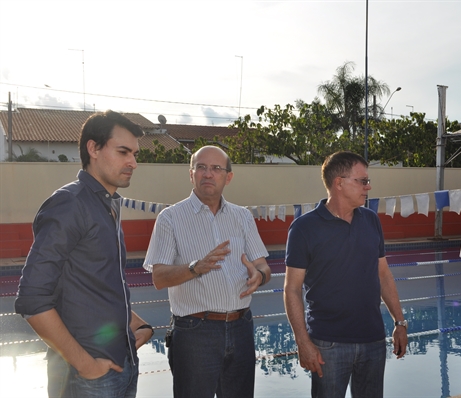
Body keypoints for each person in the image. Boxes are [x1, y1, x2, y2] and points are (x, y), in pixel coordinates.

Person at [14, 110, 153, 398]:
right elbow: (32, 299)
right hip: (88, 377)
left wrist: (135, 323)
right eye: (123, 152)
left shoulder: (107, 204)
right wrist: (86, 365)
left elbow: (99, 284)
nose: (133, 163)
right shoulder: (70, 204)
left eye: (135, 154)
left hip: (121, 364)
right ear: (93, 148)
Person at [143, 145, 271, 398]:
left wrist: (260, 276)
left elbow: (263, 266)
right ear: (191, 174)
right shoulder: (170, 218)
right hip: (194, 333)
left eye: (216, 168)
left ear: (228, 177)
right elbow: (158, 278)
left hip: (241, 327)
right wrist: (195, 268)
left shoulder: (242, 217)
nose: (208, 174)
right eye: (201, 167)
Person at [284, 151, 408, 398]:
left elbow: (383, 274)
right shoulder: (304, 228)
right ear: (338, 183)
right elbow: (292, 289)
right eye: (362, 181)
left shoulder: (371, 220)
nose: (368, 186)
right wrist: (303, 342)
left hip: (372, 340)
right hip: (328, 343)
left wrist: (400, 322)